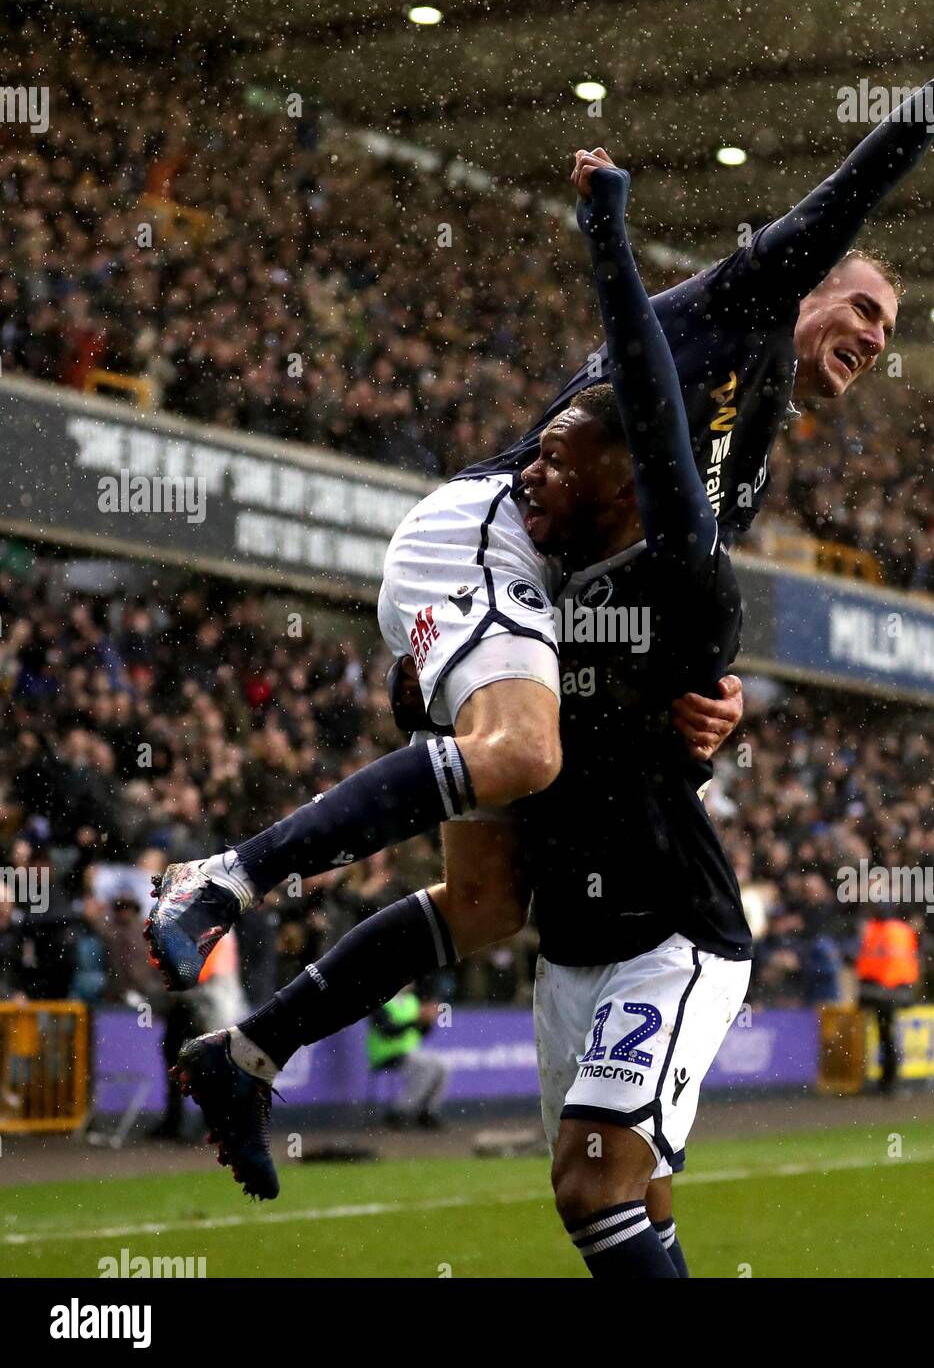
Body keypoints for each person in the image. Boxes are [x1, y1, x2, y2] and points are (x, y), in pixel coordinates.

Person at [146, 1, 934, 994]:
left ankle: (250, 1053)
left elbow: (670, 585)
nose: (878, 339)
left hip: (545, 596)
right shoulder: (738, 302)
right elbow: (848, 195)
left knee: (490, 906)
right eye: (863, 308)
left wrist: (712, 691)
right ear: (804, 290)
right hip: (491, 537)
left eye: (888, 331)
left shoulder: (748, 447)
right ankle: (228, 875)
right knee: (523, 752)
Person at [176, 153, 750, 1286]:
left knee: (592, 1181)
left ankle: (234, 894)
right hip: (564, 932)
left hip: (671, 930)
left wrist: (606, 232)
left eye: (557, 459)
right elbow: (438, 679)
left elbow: (647, 391)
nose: (527, 473)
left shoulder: (682, 566)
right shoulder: (533, 578)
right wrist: (414, 680)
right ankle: (249, 1050)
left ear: (628, 478)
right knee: (617, 1184)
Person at [854, 887, 919, 1096]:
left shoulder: (874, 930)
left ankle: (887, 1081)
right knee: (888, 1037)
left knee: (885, 1037)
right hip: (897, 990)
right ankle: (889, 1081)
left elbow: (869, 962)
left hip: (879, 991)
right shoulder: (902, 930)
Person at [367, 986, 448, 1131]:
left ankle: (427, 1112)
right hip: (386, 1054)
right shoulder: (380, 1001)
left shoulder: (412, 1001)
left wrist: (428, 1021)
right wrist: (415, 1020)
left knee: (442, 1066)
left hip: (410, 1053)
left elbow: (421, 1032)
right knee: (426, 1068)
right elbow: (388, 1031)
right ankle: (399, 1111)